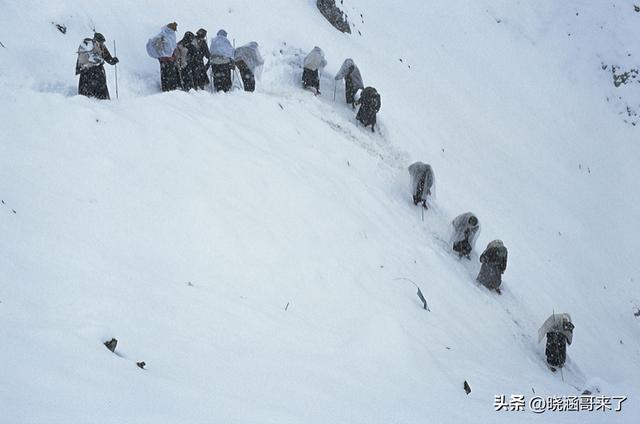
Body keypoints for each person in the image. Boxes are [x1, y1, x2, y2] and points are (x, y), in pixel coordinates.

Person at [75, 32, 118, 99]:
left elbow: (79, 60)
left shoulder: (86, 46)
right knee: (101, 93)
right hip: (97, 72)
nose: (102, 43)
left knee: (85, 95)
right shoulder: (99, 46)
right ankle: (103, 103)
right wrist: (112, 61)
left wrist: (78, 69)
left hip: (84, 72)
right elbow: (108, 58)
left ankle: (84, 104)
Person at [146, 23, 179, 92]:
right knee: (169, 74)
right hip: (168, 59)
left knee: (165, 74)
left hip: (163, 59)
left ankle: (166, 88)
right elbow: (171, 47)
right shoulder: (167, 35)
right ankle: (170, 88)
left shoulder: (165, 34)